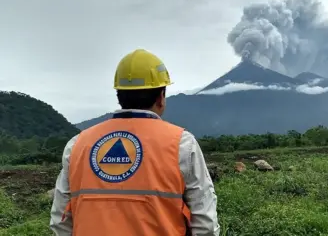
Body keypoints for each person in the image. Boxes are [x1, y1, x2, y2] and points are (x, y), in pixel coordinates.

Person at [49, 49, 220, 236]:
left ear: (119, 95)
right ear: (161, 97)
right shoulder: (181, 144)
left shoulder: (78, 144)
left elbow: (61, 220)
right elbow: (205, 223)